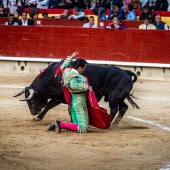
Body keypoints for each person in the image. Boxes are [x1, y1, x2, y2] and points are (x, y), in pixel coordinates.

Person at [47, 52, 92, 133]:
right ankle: (60, 124)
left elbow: (63, 66)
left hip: (74, 100)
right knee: (83, 127)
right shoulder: (75, 75)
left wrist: (71, 57)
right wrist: (87, 87)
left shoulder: (67, 71)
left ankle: (57, 125)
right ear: (79, 68)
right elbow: (74, 85)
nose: (84, 70)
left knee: (76, 124)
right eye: (84, 68)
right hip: (79, 101)